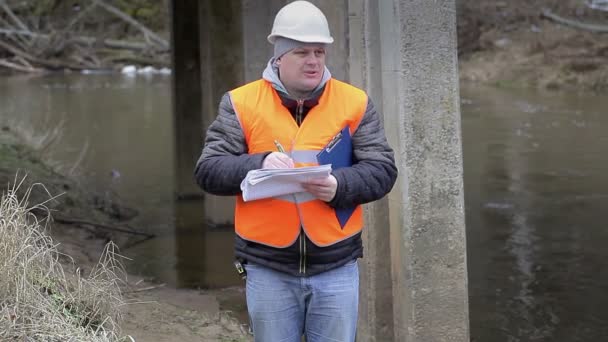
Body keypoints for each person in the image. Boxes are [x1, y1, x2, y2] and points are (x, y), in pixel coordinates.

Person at [194, 1, 397, 341]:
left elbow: (382, 170)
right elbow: (209, 170)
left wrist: (340, 186)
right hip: (267, 267)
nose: (314, 61)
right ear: (279, 56)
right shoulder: (241, 103)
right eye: (302, 52)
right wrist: (257, 163)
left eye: (319, 51)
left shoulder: (354, 102)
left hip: (336, 265)